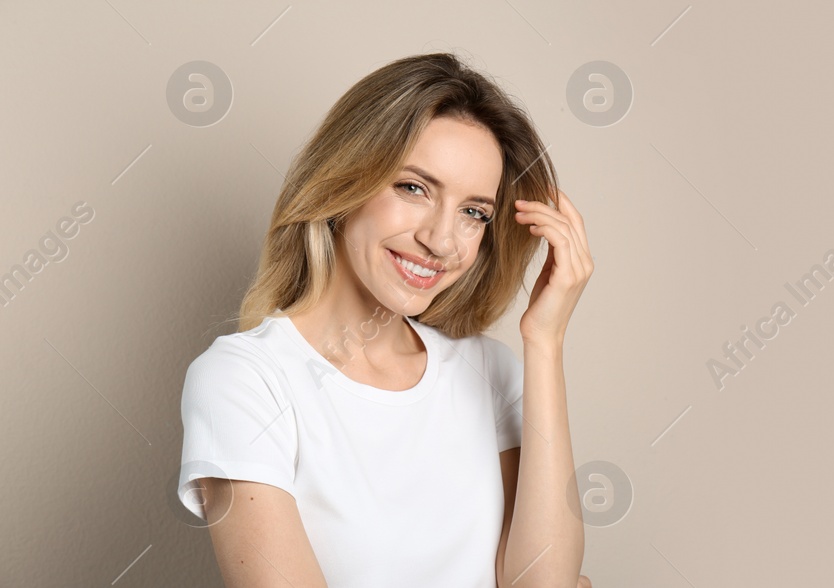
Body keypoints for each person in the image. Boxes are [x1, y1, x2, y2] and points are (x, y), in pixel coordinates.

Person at [175, 52, 594, 588]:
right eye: (414, 188)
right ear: (342, 182)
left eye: (474, 213)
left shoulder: (494, 373)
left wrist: (545, 339)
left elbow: (546, 583)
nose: (441, 241)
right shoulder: (246, 381)